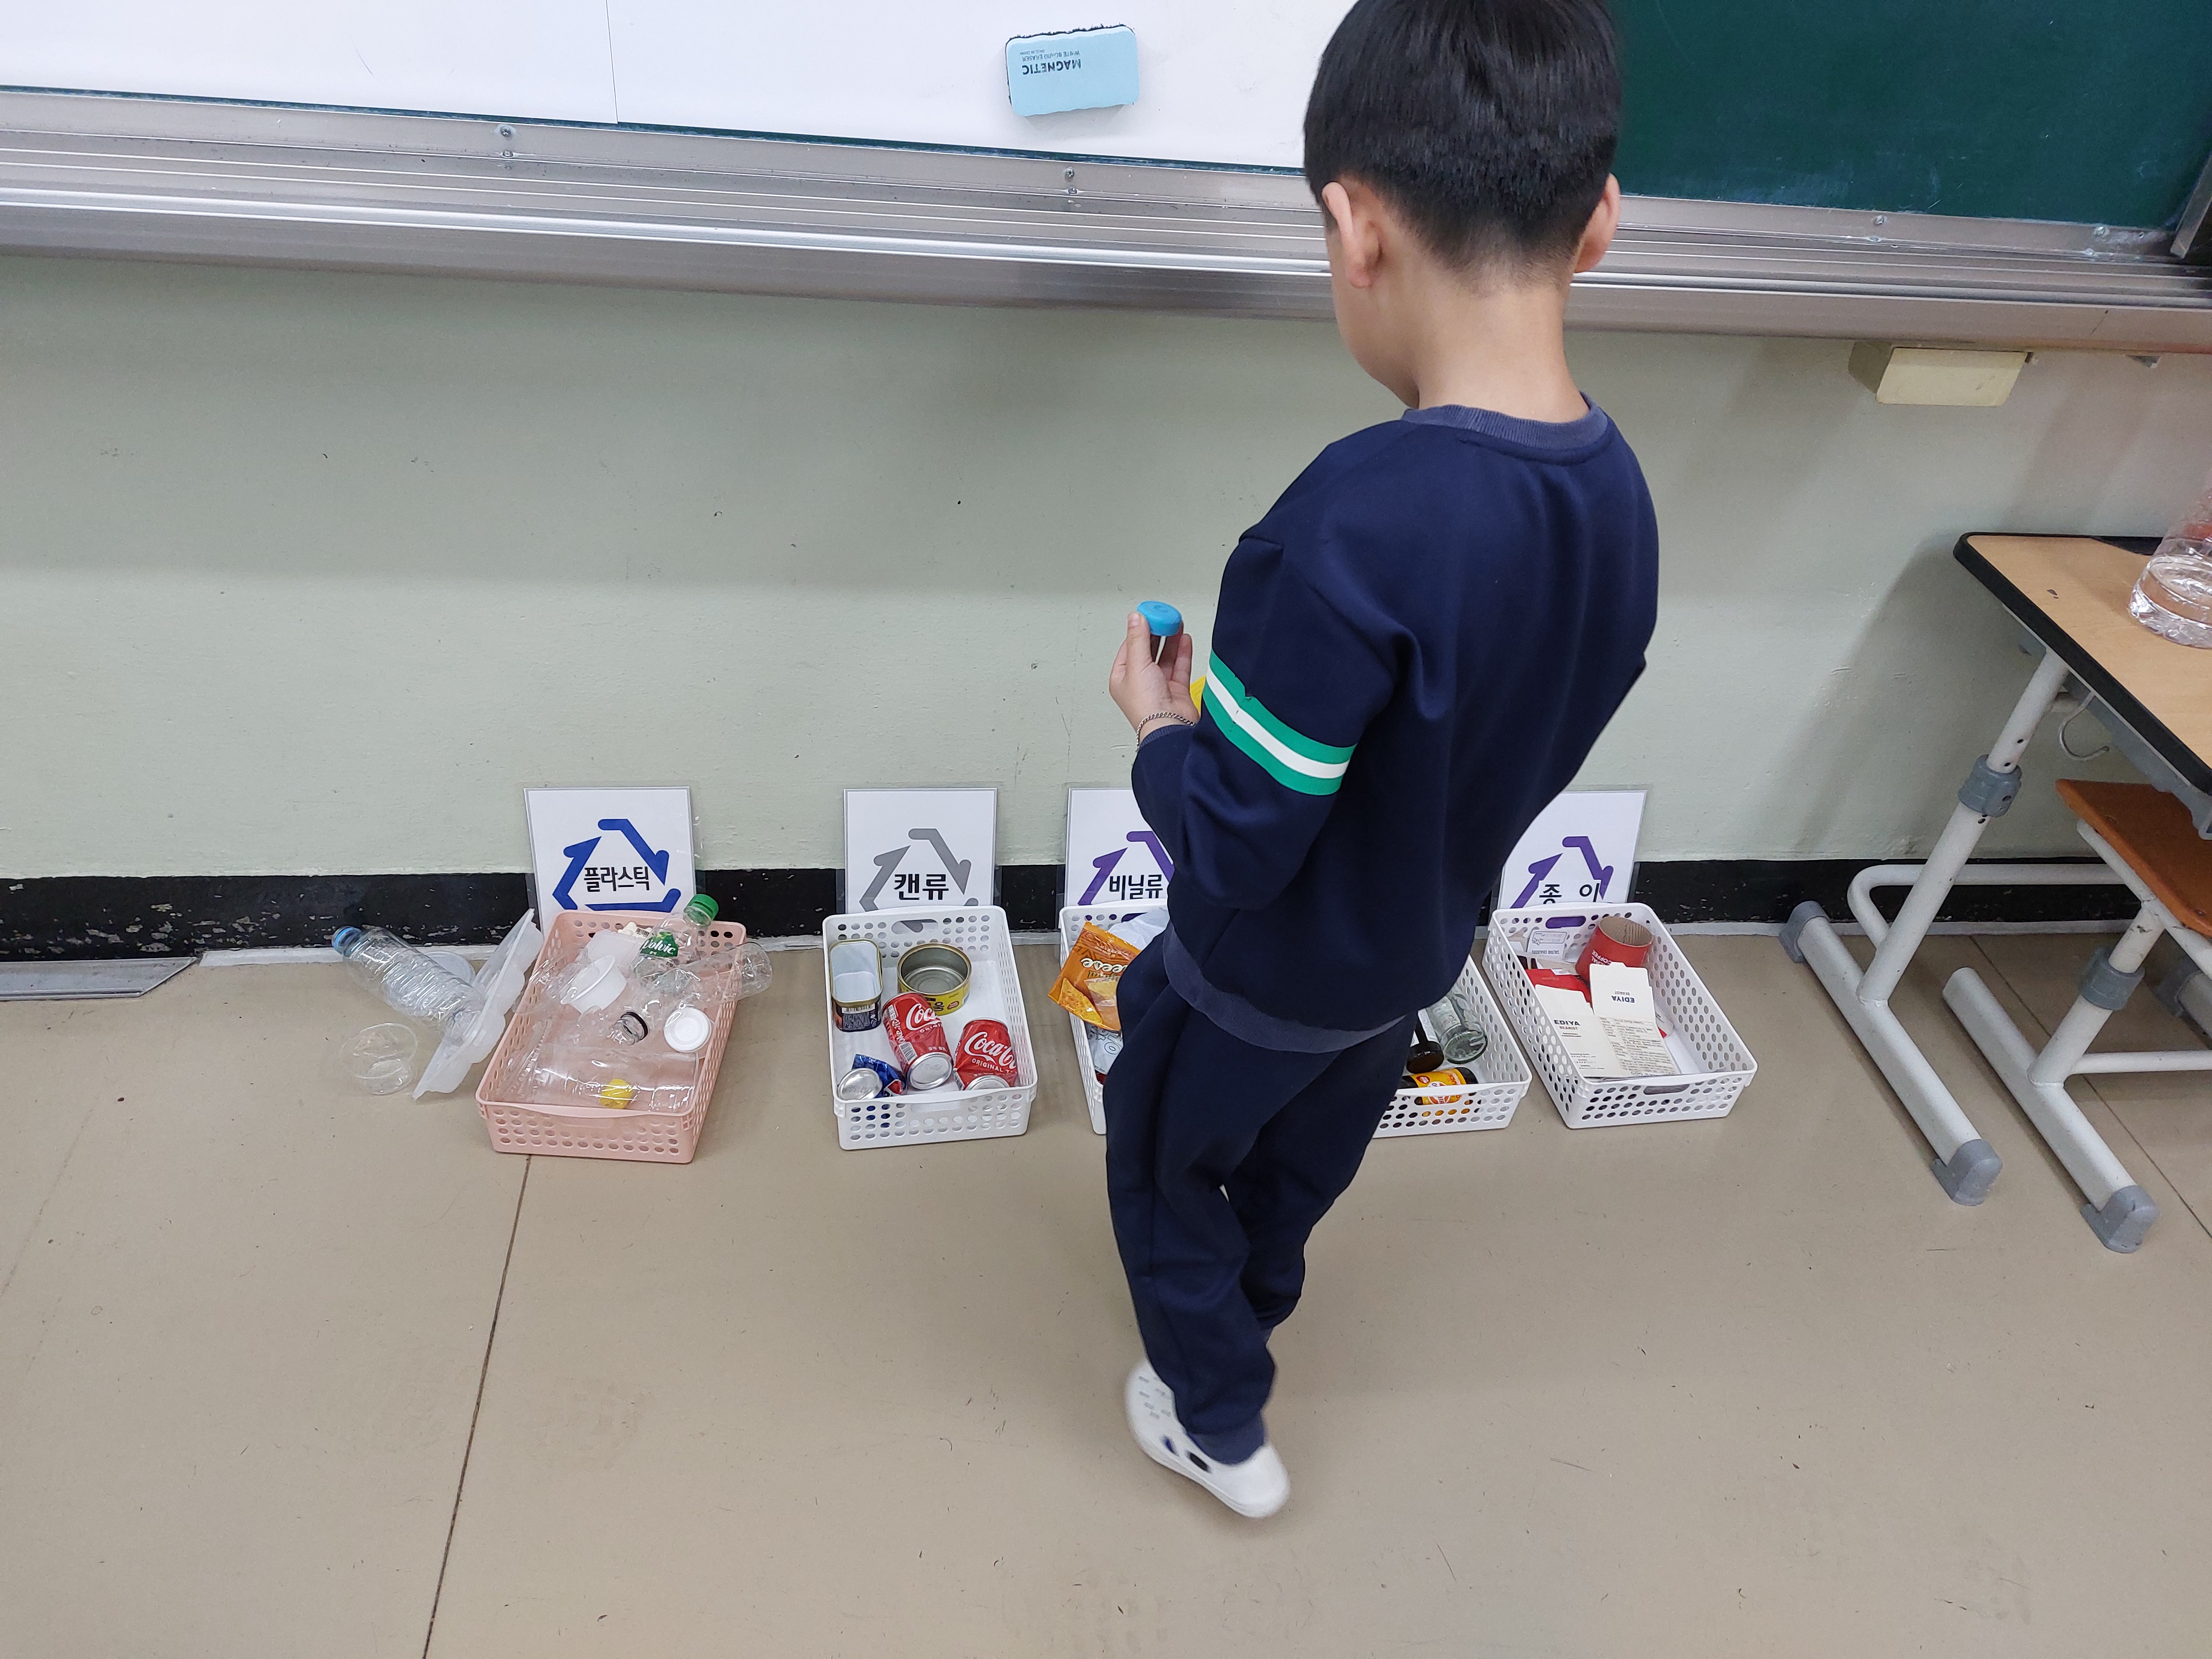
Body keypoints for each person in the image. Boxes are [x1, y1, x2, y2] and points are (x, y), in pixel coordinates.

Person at [1099, 0, 1657, 1518]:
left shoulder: (1348, 526)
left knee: (1163, 1163)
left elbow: (1235, 840)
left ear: (1355, 229)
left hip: (1256, 973)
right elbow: (1526, 735)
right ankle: (1255, 1302)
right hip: (1414, 952)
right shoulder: (1619, 500)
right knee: (1301, 1165)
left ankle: (1215, 1418)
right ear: (1598, 224)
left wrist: (1161, 731)